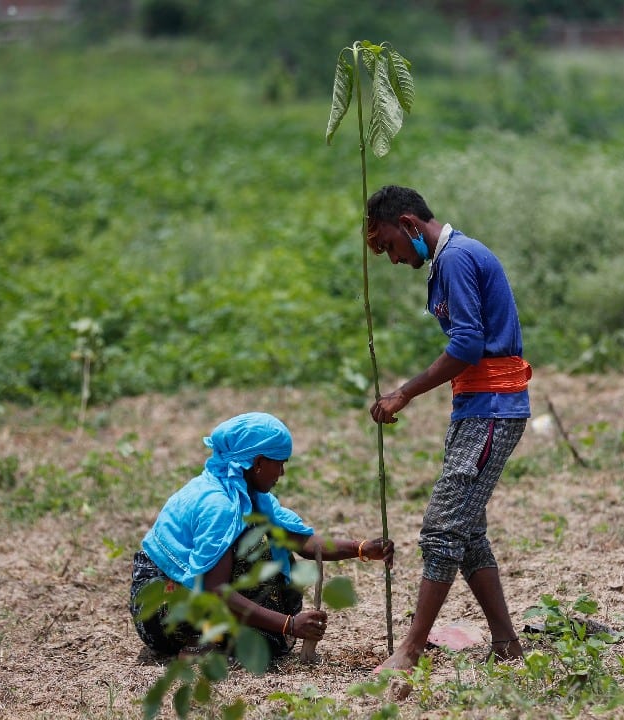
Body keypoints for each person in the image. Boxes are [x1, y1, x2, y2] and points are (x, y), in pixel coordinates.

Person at [364, 185, 532, 672]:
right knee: (467, 530)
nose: (393, 259)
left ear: (411, 225)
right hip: (475, 408)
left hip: (493, 409)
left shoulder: (457, 258)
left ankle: (410, 652)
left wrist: (405, 392)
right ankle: (506, 643)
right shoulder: (446, 263)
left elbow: (467, 345)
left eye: (391, 246)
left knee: (441, 530)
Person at [129, 411, 394, 660]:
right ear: (257, 463)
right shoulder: (220, 505)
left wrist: (361, 548)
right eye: (279, 464)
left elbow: (302, 543)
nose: (282, 473)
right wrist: (289, 625)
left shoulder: (243, 493)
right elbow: (215, 590)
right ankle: (201, 642)